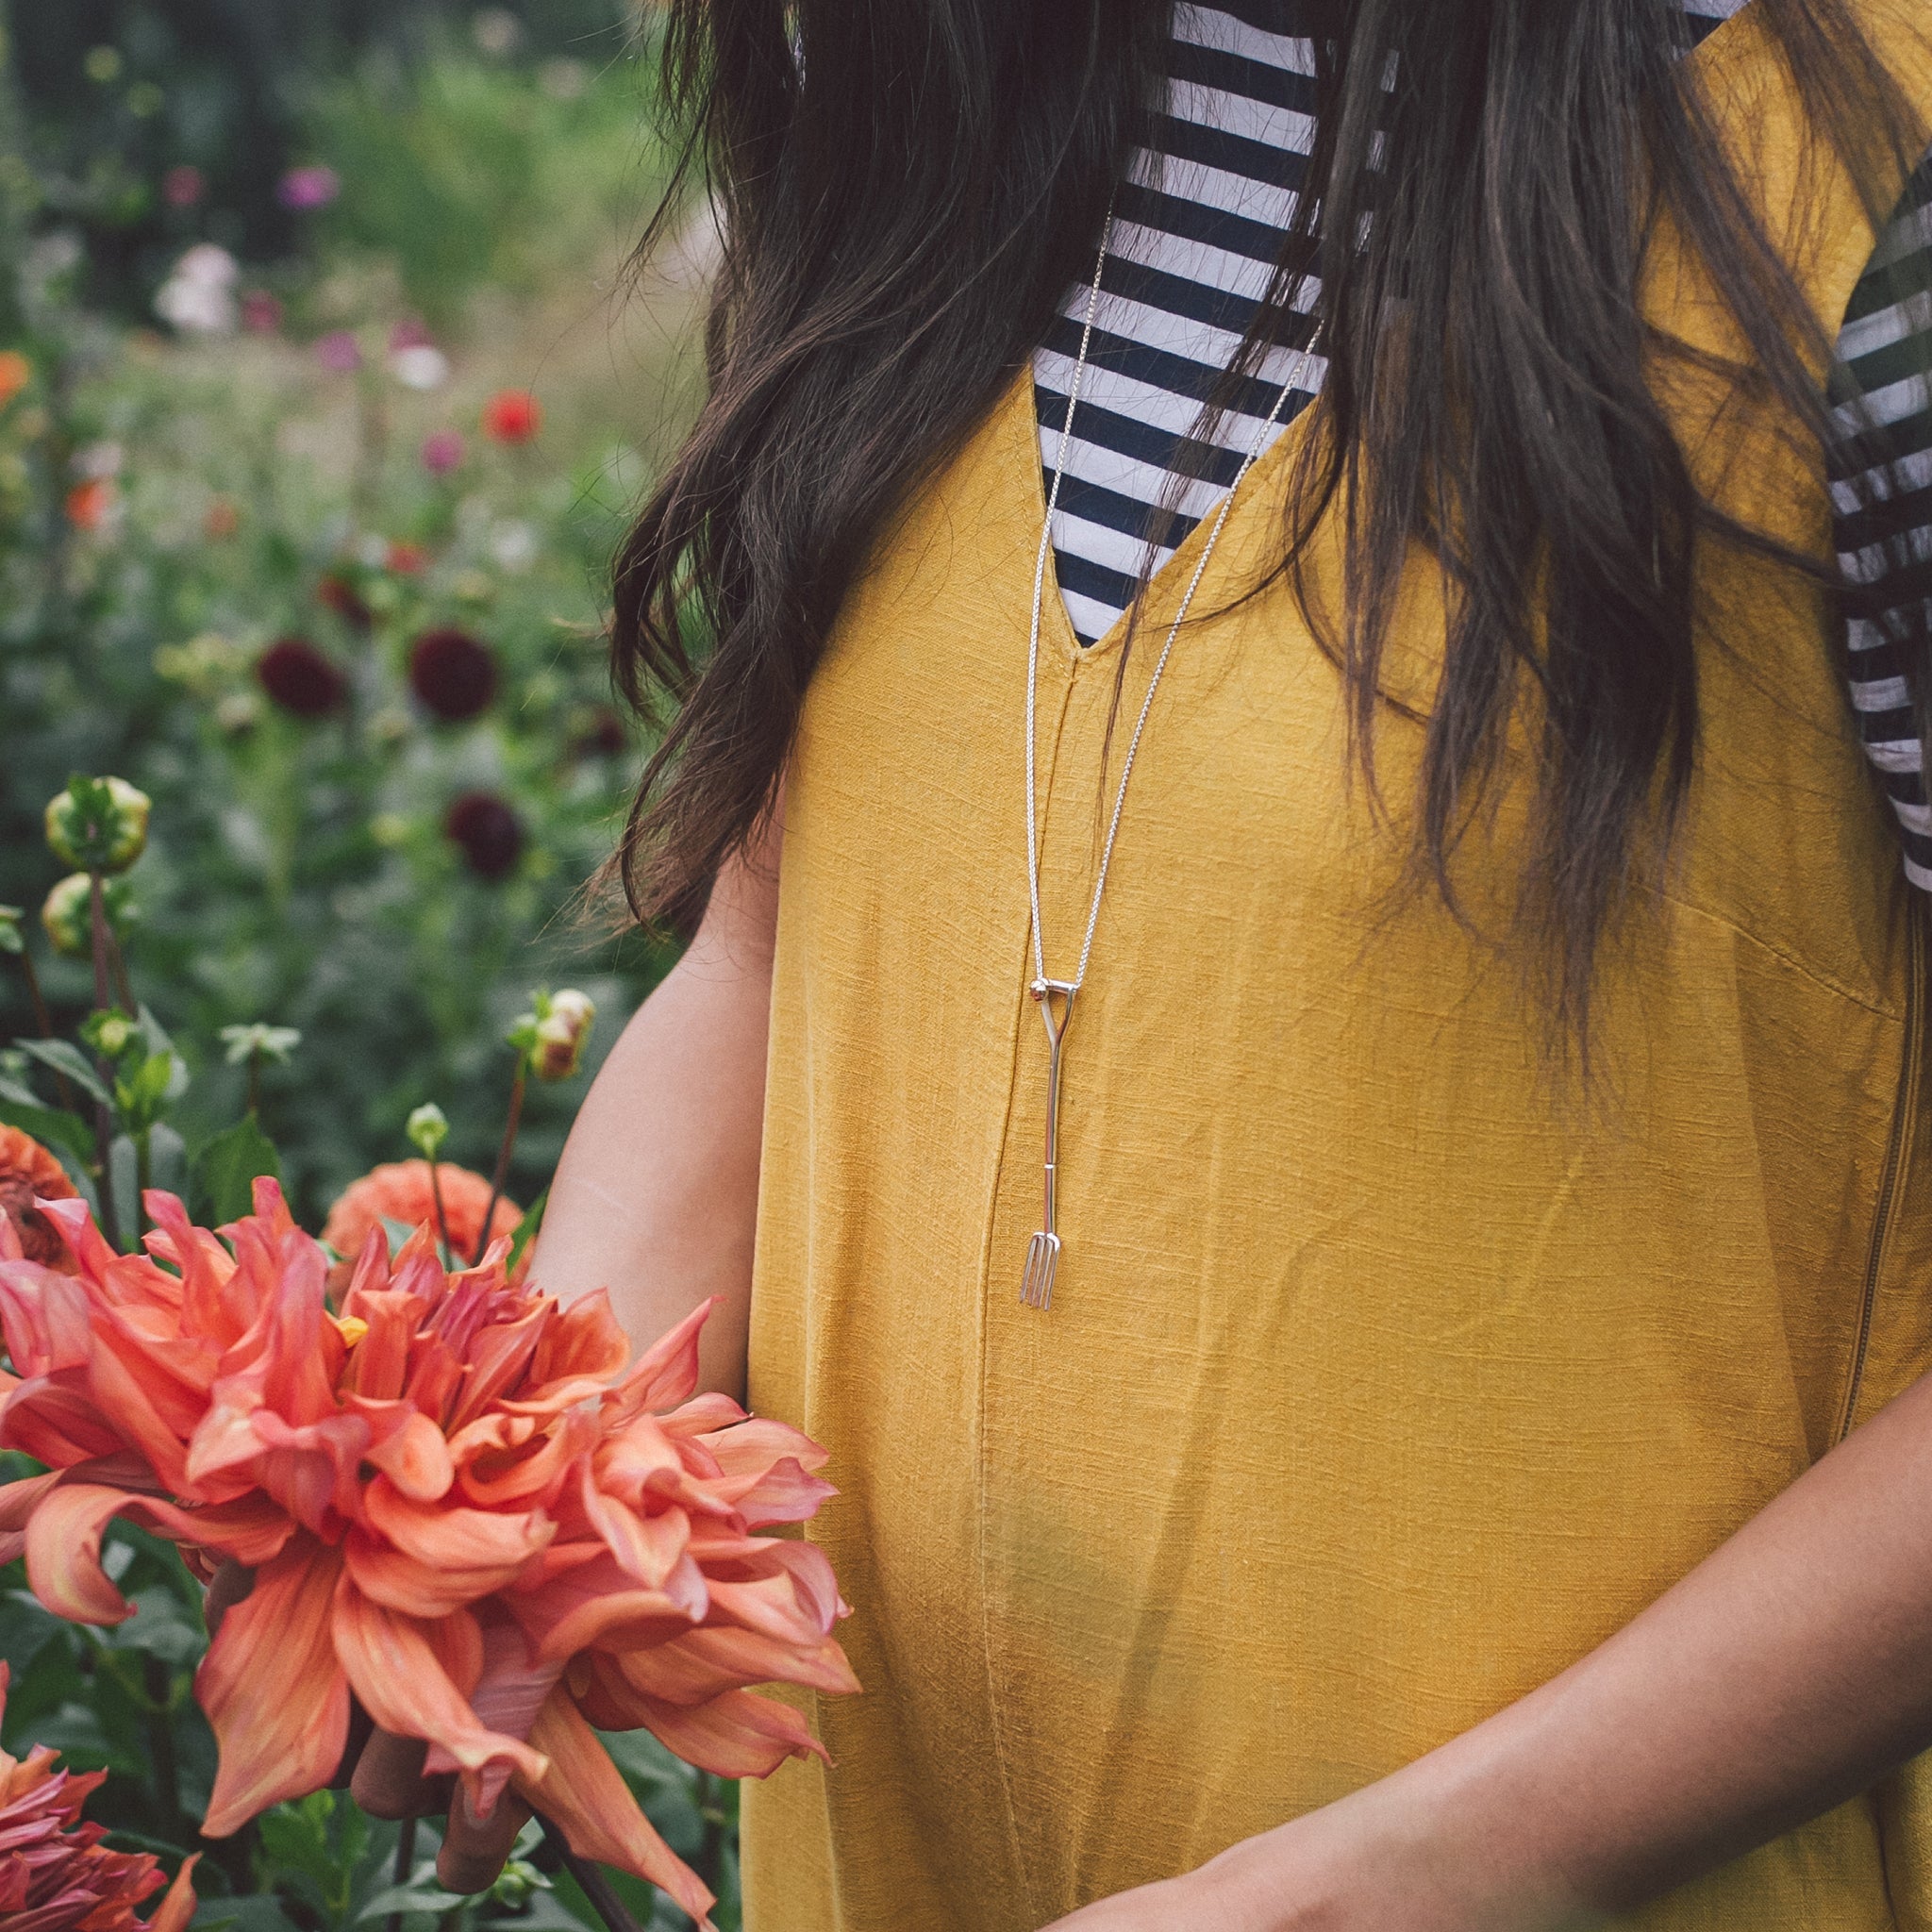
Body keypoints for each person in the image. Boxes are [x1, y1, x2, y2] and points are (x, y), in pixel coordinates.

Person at [341, 0, 1932, 1925]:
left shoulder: (1864, 209)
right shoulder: (951, 95)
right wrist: (527, 1491)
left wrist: (1419, 1873)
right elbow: (781, 955)